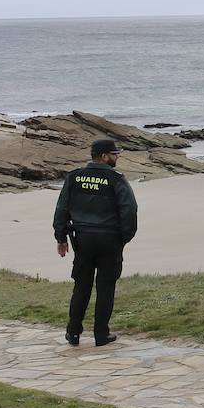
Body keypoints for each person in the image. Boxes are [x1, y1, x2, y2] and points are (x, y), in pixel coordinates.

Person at [53, 138, 138, 346]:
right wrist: (123, 238)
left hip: (82, 240)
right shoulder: (116, 179)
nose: (117, 157)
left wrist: (61, 237)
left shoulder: (74, 177)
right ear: (104, 156)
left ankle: (73, 332)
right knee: (106, 287)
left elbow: (61, 209)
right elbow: (129, 210)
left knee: (81, 286)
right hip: (110, 239)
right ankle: (101, 334)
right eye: (115, 154)